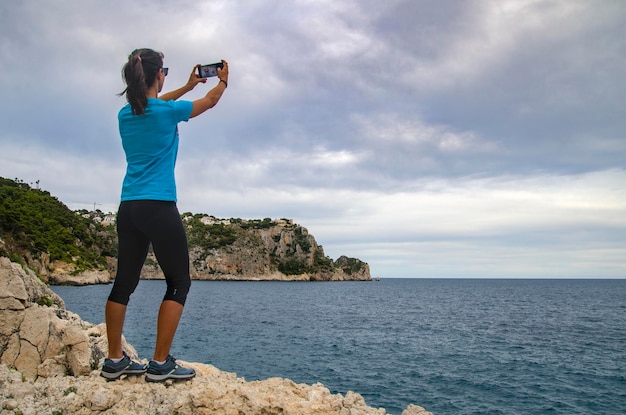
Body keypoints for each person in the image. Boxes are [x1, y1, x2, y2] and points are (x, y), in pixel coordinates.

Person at [100, 48, 229, 382]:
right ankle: (159, 364)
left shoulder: (124, 115)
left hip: (128, 208)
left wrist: (187, 86)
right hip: (158, 205)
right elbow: (211, 103)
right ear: (159, 75)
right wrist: (222, 83)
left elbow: (153, 104)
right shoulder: (168, 113)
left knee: (123, 284)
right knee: (178, 282)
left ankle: (114, 360)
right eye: (165, 72)